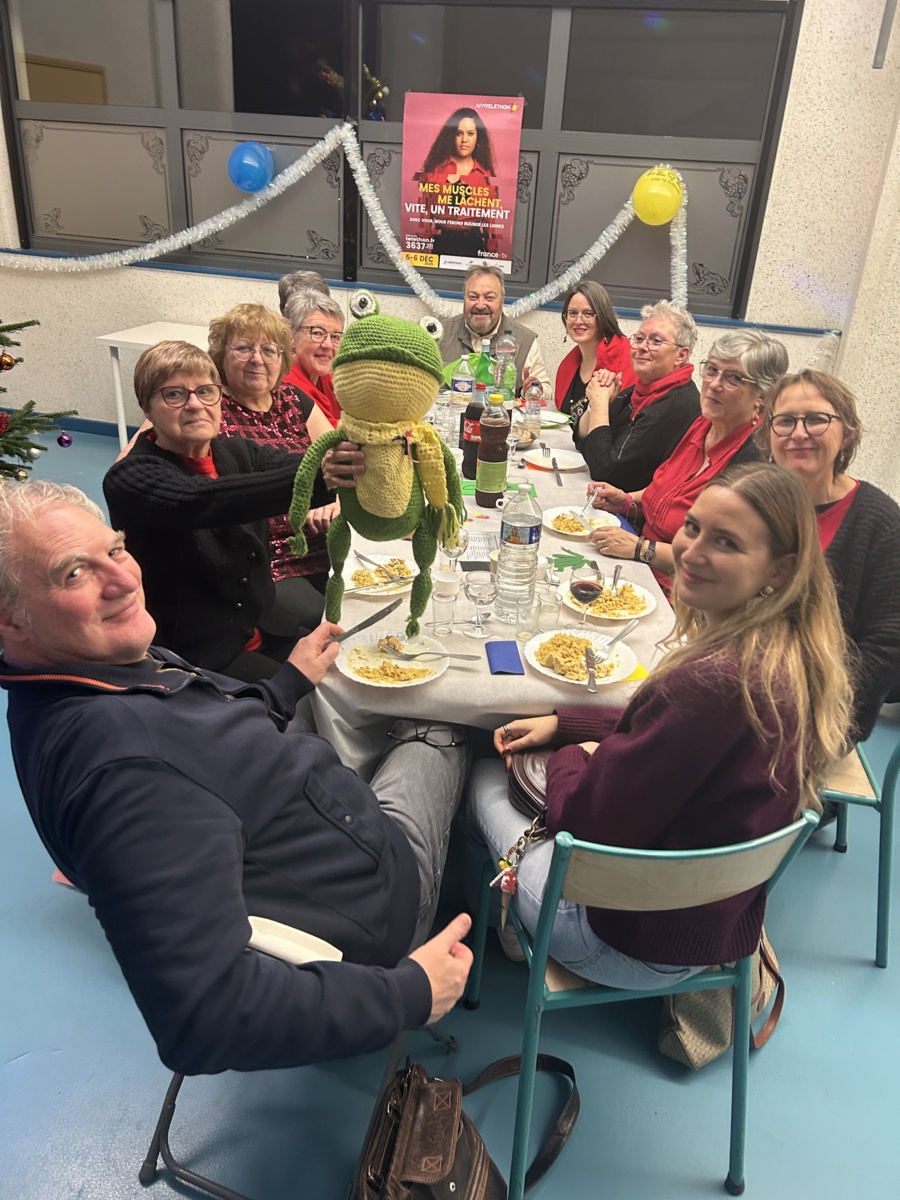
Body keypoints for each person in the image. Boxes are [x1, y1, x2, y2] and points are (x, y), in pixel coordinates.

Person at [0, 480, 472, 1075]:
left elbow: (211, 743)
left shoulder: (93, 672)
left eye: (114, 549)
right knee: (442, 723)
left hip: (315, 847)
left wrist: (286, 685)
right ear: (9, 620)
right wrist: (410, 993)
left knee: (364, 709)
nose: (123, 579)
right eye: (73, 574)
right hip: (383, 906)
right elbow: (203, 1020)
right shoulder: (128, 769)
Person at [467, 462, 851, 985]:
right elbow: (666, 732)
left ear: (779, 571)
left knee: (484, 770)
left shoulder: (708, 685)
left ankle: (512, 923)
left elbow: (580, 822)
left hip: (624, 940)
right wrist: (567, 724)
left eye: (726, 543)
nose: (691, 552)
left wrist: (571, 757)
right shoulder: (787, 660)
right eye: (692, 527)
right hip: (712, 926)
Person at [103, 340, 332, 682]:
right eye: (175, 394)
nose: (195, 405)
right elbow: (204, 501)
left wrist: (360, 454)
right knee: (312, 695)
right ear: (147, 409)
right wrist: (332, 472)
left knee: (345, 667)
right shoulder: (130, 477)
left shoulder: (238, 453)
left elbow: (301, 466)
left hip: (264, 627)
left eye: (206, 391)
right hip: (198, 653)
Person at [585, 330, 785, 588]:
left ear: (762, 396)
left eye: (734, 378)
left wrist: (640, 548)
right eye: (712, 370)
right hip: (641, 566)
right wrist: (626, 501)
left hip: (682, 591)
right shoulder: (702, 424)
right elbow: (667, 495)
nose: (714, 384)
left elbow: (720, 560)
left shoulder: (754, 462)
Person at [763, 369, 900, 742]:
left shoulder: (880, 523)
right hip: (733, 682)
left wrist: (791, 689)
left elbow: (889, 648)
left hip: (818, 714)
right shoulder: (754, 501)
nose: (799, 433)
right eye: (785, 421)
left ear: (848, 432)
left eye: (816, 419)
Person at [211, 303, 336, 627]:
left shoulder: (293, 399)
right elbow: (133, 462)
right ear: (221, 355)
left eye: (269, 350)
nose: (257, 359)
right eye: (243, 348)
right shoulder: (207, 407)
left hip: (326, 546)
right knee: (330, 620)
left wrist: (333, 502)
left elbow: (339, 461)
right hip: (265, 562)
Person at [572, 299, 700, 489]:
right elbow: (582, 439)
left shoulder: (676, 403)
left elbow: (604, 469)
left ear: (681, 355)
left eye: (656, 341)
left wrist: (599, 403)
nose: (642, 347)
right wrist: (597, 404)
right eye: (639, 339)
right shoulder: (642, 389)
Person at [438, 265, 552, 398]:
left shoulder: (525, 341)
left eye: (489, 298)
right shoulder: (439, 334)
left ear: (502, 300)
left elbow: (547, 393)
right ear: (464, 298)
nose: (480, 305)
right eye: (473, 297)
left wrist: (533, 390)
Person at [415, 107, 499, 260]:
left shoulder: (484, 175)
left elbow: (489, 217)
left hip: (473, 242)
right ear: (451, 136)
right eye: (459, 133)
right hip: (442, 241)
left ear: (478, 137)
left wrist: (491, 248)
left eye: (470, 133)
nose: (464, 140)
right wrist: (423, 242)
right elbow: (425, 209)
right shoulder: (436, 170)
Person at [554, 280, 636, 416]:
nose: (578, 321)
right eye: (573, 313)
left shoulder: (627, 357)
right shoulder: (567, 365)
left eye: (588, 314)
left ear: (603, 317)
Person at [281, 290, 345, 427]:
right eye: (317, 333)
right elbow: (330, 433)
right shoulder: (287, 388)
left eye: (335, 336)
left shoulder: (327, 378)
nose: (328, 345)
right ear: (291, 337)